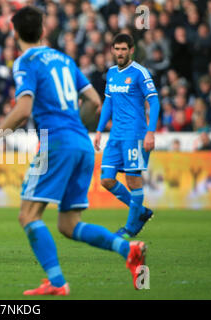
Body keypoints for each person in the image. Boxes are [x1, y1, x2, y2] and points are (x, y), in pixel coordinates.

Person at [0, 6, 146, 295]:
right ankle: (129, 249)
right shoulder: (64, 59)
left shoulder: (25, 61)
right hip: (82, 144)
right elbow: (93, 101)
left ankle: (56, 282)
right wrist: (73, 122)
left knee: (28, 215)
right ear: (42, 30)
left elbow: (23, 110)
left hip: (57, 143)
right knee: (69, 224)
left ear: (15, 33)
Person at [94, 33, 160, 239]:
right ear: (112, 50)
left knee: (133, 179)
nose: (120, 52)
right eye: (117, 48)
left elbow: (155, 102)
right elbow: (108, 103)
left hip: (135, 134)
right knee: (106, 180)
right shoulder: (112, 73)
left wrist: (151, 132)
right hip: (115, 135)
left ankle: (131, 227)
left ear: (131, 50)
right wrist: (98, 130)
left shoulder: (140, 72)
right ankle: (140, 211)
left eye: (124, 49)